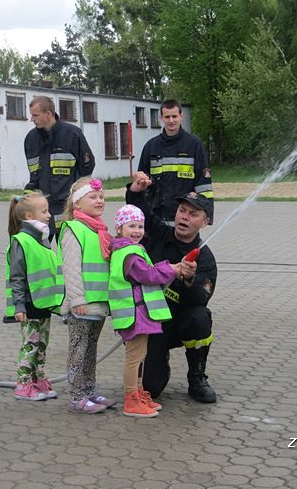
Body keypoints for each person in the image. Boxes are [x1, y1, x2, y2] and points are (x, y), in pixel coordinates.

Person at [126, 171, 218, 403]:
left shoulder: (205, 258)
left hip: (181, 323)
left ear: (205, 222)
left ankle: (197, 377)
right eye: (182, 210)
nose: (184, 217)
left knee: (200, 317)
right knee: (151, 387)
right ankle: (159, 364)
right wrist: (136, 191)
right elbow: (139, 211)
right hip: (153, 324)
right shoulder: (159, 234)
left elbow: (201, 299)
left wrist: (189, 280)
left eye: (193, 214)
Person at [109, 204, 179, 417]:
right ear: (119, 228)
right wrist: (171, 269)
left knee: (140, 356)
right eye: (131, 226)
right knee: (135, 358)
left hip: (139, 315)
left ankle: (138, 394)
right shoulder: (129, 253)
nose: (137, 230)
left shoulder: (129, 250)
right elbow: (148, 275)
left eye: (140, 226)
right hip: (135, 315)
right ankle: (131, 399)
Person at [59, 177, 114, 414]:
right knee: (78, 349)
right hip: (82, 304)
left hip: (98, 303)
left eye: (101, 197)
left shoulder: (100, 230)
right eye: (93, 197)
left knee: (91, 349)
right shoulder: (74, 229)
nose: (99, 200)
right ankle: (76, 396)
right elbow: (71, 268)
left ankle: (89, 390)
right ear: (77, 203)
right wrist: (77, 299)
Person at [6, 191, 65, 402]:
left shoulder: (42, 240)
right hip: (29, 305)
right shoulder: (21, 241)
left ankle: (38, 379)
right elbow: (17, 277)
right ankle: (23, 384)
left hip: (43, 304)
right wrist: (19, 306)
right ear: (29, 216)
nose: (49, 215)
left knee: (41, 345)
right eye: (44, 211)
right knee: (30, 345)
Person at [24, 96, 95, 239]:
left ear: (48, 114)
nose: (32, 119)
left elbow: (87, 166)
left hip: (65, 205)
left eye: (35, 115)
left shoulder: (72, 134)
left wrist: (75, 193)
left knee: (67, 245)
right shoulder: (31, 139)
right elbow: (33, 173)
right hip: (41, 207)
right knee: (39, 248)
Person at [137, 99, 214, 224]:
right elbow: (141, 184)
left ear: (181, 116)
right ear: (161, 118)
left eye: (174, 116)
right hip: (157, 219)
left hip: (186, 217)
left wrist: (207, 216)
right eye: (167, 117)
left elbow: (204, 185)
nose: (171, 120)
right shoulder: (151, 147)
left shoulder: (194, 145)